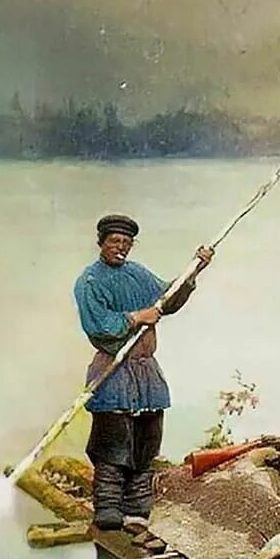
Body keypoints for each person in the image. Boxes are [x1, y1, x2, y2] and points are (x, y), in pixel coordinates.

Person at [74, 214, 213, 534]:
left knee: (148, 434)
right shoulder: (90, 281)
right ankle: (108, 504)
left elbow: (168, 298)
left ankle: (137, 505)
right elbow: (98, 325)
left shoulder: (137, 274)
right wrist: (136, 317)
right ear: (101, 243)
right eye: (114, 242)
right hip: (114, 369)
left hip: (145, 370)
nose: (120, 248)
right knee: (113, 438)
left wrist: (194, 272)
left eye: (126, 243)